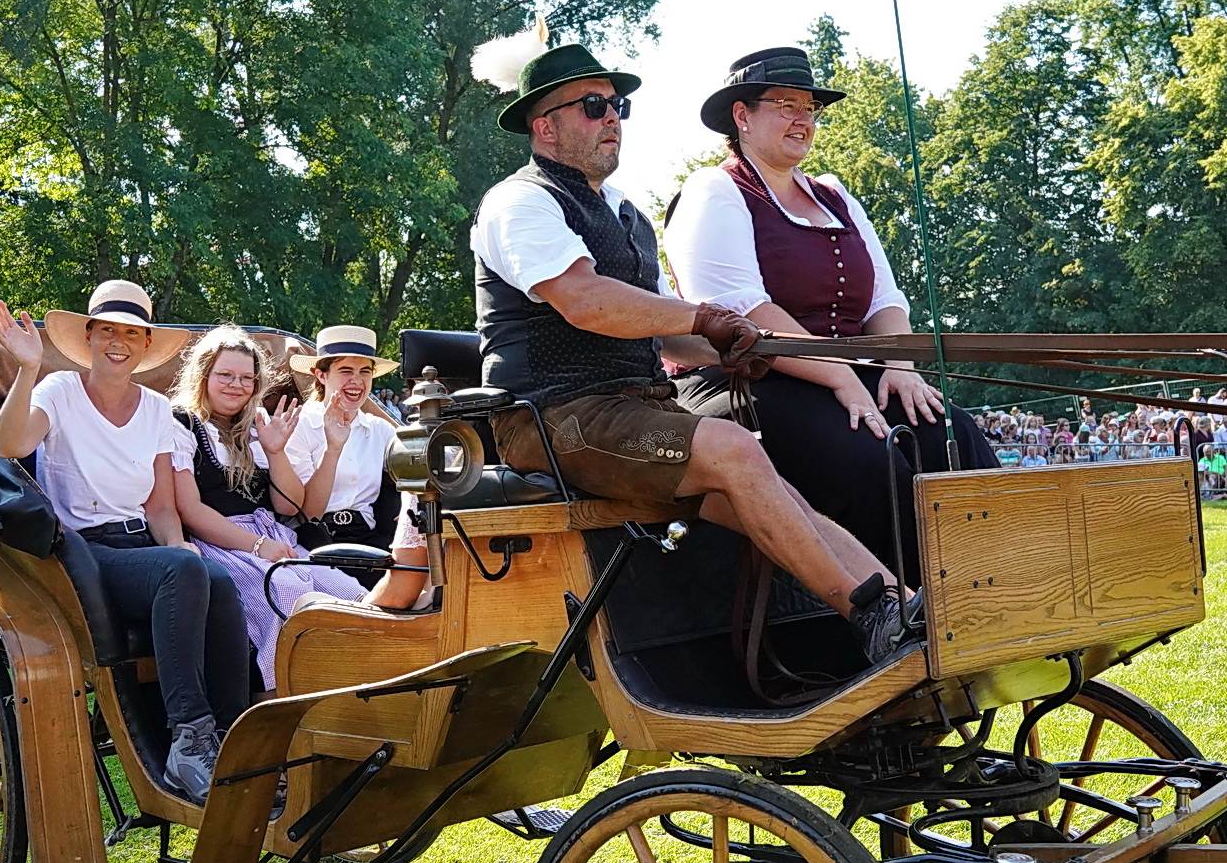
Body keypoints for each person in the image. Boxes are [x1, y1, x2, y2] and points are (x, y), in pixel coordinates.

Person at [469, 39, 909, 662]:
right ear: (545, 125)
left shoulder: (625, 214)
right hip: (550, 416)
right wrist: (708, 317)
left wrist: (735, 347)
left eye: (618, 104)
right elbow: (585, 301)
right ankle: (872, 618)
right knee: (733, 449)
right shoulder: (520, 201)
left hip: (634, 409)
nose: (613, 118)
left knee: (767, 485)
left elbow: (662, 333)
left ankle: (904, 605)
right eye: (593, 106)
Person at [664, 47, 997, 580]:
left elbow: (885, 300)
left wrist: (900, 369)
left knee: (947, 431)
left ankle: (1006, 587)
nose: (803, 119)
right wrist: (840, 377)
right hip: (747, 381)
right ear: (742, 116)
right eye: (784, 104)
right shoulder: (715, 191)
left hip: (847, 378)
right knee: (868, 460)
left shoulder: (835, 196)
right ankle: (907, 614)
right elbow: (741, 313)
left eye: (810, 107)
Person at [0, 280, 247, 803]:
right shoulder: (58, 392)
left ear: (145, 343)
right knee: (185, 570)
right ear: (89, 335)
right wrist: (26, 368)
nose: (118, 342)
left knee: (217, 577)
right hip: (82, 552)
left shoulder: (155, 409)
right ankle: (188, 740)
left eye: (131, 332)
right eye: (108, 330)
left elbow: (158, 506)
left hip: (139, 547)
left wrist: (180, 547)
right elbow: (10, 443)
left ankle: (236, 735)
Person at [169, 326, 373, 694]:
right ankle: (275, 705)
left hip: (274, 536)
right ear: (203, 376)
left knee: (352, 594)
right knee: (288, 592)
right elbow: (190, 510)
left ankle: (345, 691)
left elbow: (290, 506)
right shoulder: (182, 424)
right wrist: (258, 546)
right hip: (223, 543)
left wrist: (276, 451)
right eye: (226, 375)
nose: (237, 385)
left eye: (247, 378)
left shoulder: (256, 427)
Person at [282, 326, 403, 574]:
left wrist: (415, 505)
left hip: (369, 538)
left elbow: (425, 462)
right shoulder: (298, 425)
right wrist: (333, 449)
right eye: (345, 371)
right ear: (321, 375)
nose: (356, 381)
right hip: (313, 539)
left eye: (364, 372)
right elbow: (307, 514)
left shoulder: (379, 429)